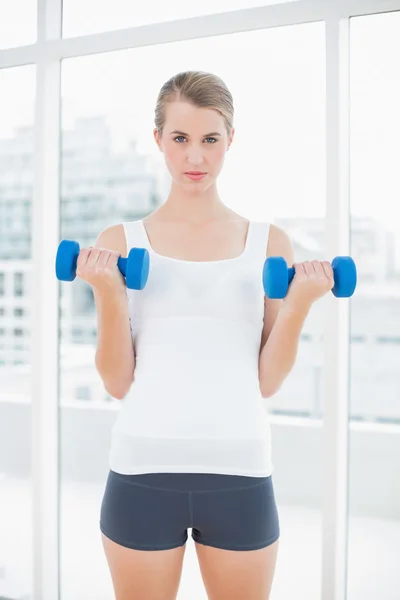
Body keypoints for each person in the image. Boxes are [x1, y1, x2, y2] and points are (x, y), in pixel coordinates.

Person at [76, 71, 334, 600]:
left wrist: (300, 305)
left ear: (230, 140)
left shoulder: (268, 242)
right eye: (181, 139)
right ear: (158, 141)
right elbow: (118, 382)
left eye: (210, 139)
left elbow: (267, 382)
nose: (195, 157)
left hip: (240, 470)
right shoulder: (119, 242)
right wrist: (108, 291)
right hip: (141, 470)